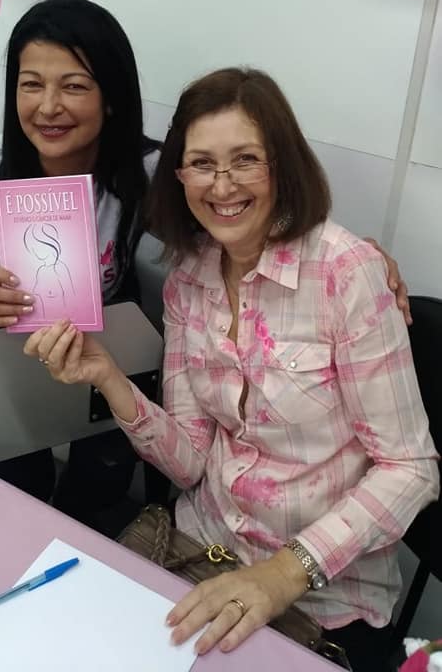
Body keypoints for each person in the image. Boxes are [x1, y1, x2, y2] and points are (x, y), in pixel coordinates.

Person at [24, 68, 439, 672]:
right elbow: (191, 461)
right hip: (201, 548)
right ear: (180, 175)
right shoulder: (188, 280)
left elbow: (411, 468)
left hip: (320, 593)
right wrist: (109, 379)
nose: (222, 186)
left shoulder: (346, 274)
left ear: (282, 166)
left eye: (245, 160)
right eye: (202, 164)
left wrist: (282, 573)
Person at [0, 0, 161, 533]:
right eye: (31, 84)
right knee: (16, 484)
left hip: (110, 351)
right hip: (9, 351)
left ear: (112, 98)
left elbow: (233, 233)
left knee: (100, 488)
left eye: (74, 86)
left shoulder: (152, 174)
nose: (48, 107)